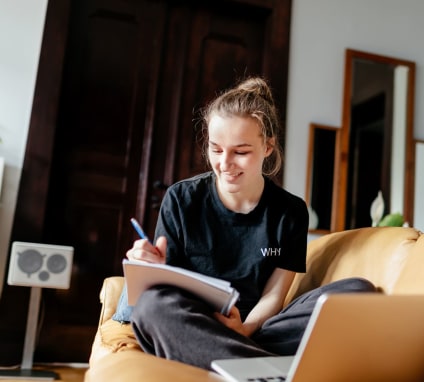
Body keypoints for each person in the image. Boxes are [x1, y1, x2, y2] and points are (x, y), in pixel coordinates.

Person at [125, 77, 376, 370]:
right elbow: (168, 293)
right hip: (197, 322)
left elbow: (274, 294)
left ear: (268, 146)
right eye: (216, 149)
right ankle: (265, 369)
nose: (224, 163)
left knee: (355, 292)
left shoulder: (290, 211)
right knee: (151, 307)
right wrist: (151, 268)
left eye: (240, 152)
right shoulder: (181, 199)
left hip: (259, 329)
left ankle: (234, 360)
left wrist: (244, 329)